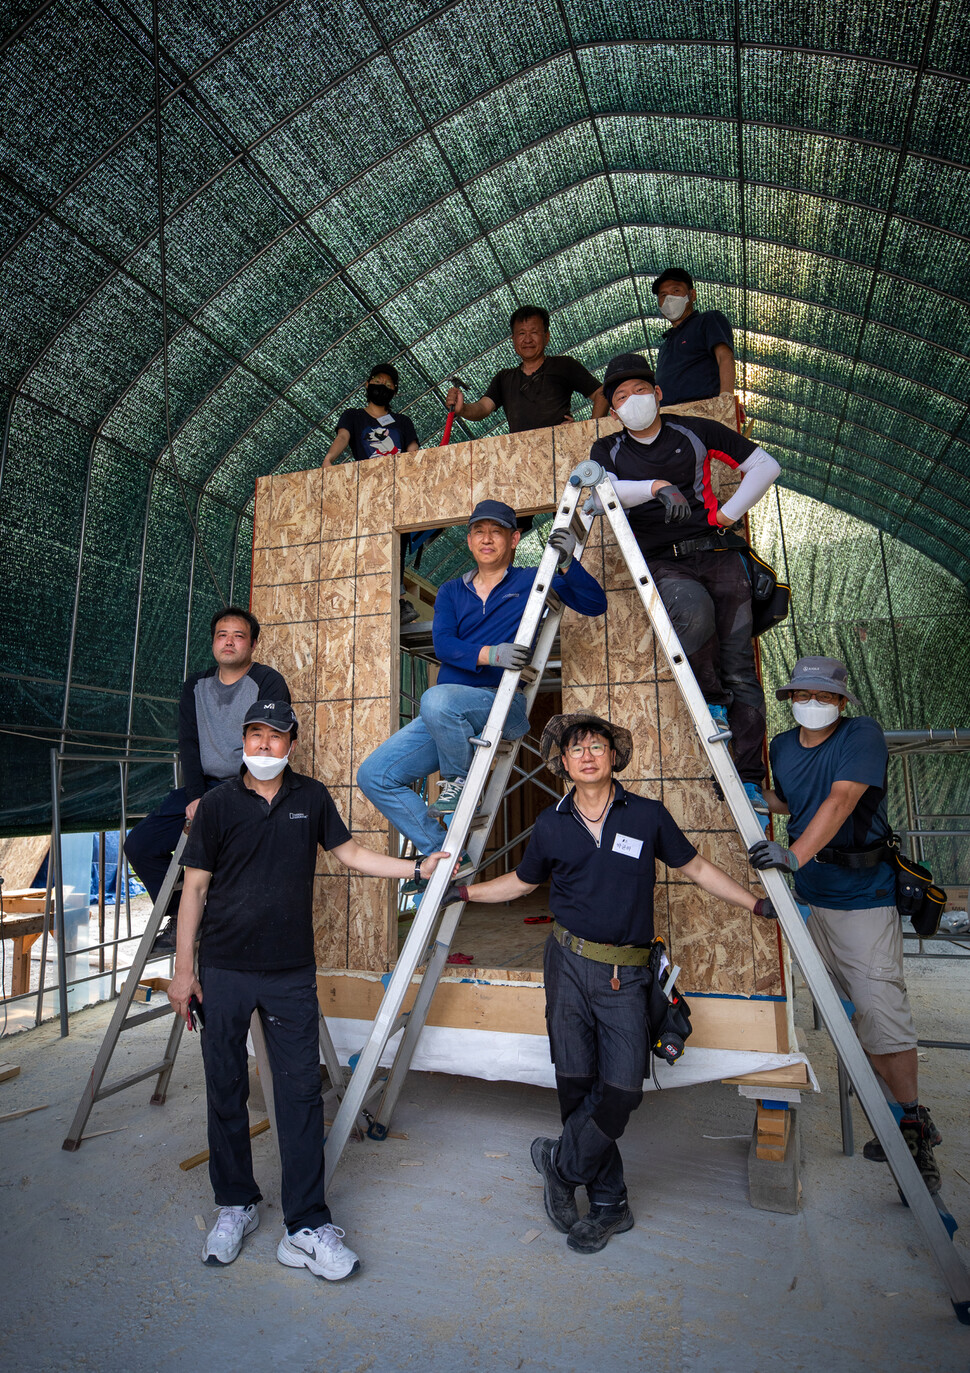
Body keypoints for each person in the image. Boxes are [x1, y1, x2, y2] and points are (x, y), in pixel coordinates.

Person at [441, 712, 776, 1253]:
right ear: (564, 763)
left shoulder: (647, 816)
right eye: (577, 750)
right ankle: (608, 1205)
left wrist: (756, 902)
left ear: (613, 756)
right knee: (577, 1084)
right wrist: (465, 893)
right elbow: (523, 884)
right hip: (568, 966)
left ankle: (561, 1165)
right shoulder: (551, 823)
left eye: (598, 746)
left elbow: (696, 869)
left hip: (628, 972)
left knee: (621, 1090)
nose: (588, 756)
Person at [167, 700, 451, 1275]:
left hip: (290, 971)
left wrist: (418, 869)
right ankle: (236, 1203)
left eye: (273, 736)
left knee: (299, 1097)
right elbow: (193, 890)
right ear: (243, 741)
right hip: (222, 969)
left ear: (291, 742)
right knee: (224, 1088)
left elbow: (350, 855)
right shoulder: (218, 805)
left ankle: (306, 1224)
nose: (263, 745)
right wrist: (182, 970)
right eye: (253, 734)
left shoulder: (312, 798)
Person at [748, 657, 942, 1192]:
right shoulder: (784, 747)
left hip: (862, 898)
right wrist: (752, 796)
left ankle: (912, 1120)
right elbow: (795, 801)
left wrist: (792, 856)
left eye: (824, 695)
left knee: (881, 1008)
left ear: (840, 700)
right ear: (791, 699)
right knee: (848, 1015)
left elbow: (839, 801)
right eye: (803, 694)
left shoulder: (862, 736)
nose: (813, 702)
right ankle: (890, 1111)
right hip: (813, 899)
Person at [357, 500, 607, 878]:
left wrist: (568, 563)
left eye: (496, 531)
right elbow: (444, 645)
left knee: (436, 699)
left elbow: (595, 604)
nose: (486, 538)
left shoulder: (531, 580)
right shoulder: (451, 591)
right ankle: (445, 855)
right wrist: (491, 653)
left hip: (502, 705)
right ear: (470, 540)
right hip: (446, 714)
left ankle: (458, 782)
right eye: (478, 531)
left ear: (514, 538)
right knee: (374, 775)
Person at [586, 352, 781, 813]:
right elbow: (600, 495)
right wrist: (655, 486)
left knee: (741, 668)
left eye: (639, 391)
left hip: (717, 554)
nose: (631, 401)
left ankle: (749, 781)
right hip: (662, 562)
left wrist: (726, 516)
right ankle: (711, 702)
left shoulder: (695, 431)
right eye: (620, 397)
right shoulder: (608, 450)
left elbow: (765, 467)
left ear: (657, 394)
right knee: (692, 613)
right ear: (613, 411)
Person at [123, 607, 289, 955]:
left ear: (253, 644)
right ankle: (183, 916)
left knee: (220, 859)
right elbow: (190, 743)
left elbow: (267, 744)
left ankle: (214, 918)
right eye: (222, 635)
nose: (229, 642)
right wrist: (197, 795)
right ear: (214, 643)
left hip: (250, 787)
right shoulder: (195, 686)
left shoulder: (267, 681)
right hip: (203, 786)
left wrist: (236, 793)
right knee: (139, 844)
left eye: (238, 636)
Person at [322, 362, 421, 624]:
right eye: (378, 381)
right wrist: (329, 459)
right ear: (367, 384)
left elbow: (414, 453)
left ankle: (398, 601)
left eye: (389, 385)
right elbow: (344, 437)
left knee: (395, 544)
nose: (383, 387)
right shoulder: (354, 416)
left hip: (396, 491)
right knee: (369, 545)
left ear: (395, 392)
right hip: (365, 494)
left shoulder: (402, 422)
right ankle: (365, 599)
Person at [445, 306, 609, 435]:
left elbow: (602, 394)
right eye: (522, 333)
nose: (528, 339)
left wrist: (588, 431)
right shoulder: (504, 378)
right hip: (522, 458)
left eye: (534, 332)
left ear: (546, 336)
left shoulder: (564, 365)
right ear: (514, 340)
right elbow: (483, 408)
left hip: (561, 451)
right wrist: (463, 408)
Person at [651, 268, 736, 408]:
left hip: (702, 410)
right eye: (663, 295)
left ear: (692, 295)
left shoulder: (708, 320)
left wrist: (726, 398)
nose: (669, 299)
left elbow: (724, 356)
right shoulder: (664, 346)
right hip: (669, 417)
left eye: (676, 291)